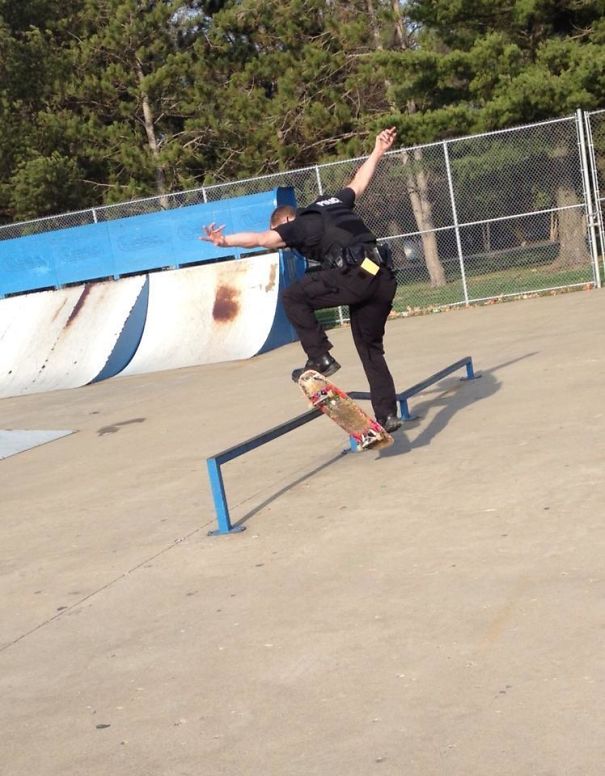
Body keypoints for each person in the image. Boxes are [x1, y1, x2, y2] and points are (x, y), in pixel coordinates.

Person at [202, 127, 401, 433]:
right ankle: (387, 415)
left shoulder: (299, 225)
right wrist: (378, 150)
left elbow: (260, 238)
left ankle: (320, 357)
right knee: (370, 349)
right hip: (383, 277)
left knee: (293, 296)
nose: (287, 244)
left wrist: (225, 241)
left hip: (357, 275)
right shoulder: (334, 202)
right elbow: (359, 182)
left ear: (286, 222)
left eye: (285, 239)